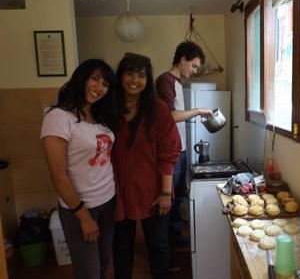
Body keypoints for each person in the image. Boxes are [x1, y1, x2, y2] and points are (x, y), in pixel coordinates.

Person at [41, 59, 118, 279]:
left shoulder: (100, 116)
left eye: (105, 83)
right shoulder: (58, 117)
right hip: (81, 208)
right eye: (94, 78)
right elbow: (58, 176)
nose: (99, 87)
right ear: (81, 78)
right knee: (89, 273)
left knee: (103, 264)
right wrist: (83, 216)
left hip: (108, 202)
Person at [112, 53, 182, 279]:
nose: (134, 80)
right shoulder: (108, 108)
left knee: (159, 246)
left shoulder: (158, 109)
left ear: (147, 79)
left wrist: (165, 192)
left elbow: (169, 152)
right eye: (129, 73)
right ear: (121, 76)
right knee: (121, 247)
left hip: (154, 190)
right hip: (118, 190)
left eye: (141, 75)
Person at [155, 41, 213, 247]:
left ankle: (176, 238)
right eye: (194, 66)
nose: (195, 70)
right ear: (182, 60)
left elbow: (175, 116)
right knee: (169, 199)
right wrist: (198, 111)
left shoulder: (178, 83)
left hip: (181, 149)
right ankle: (166, 246)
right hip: (171, 152)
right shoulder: (165, 81)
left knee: (180, 196)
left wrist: (191, 117)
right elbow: (170, 116)